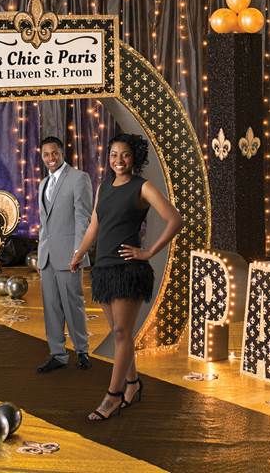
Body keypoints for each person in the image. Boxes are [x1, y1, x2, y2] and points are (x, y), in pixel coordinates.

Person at [70, 133, 183, 421]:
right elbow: (95, 226)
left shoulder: (142, 187)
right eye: (113, 155)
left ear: (135, 158)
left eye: (125, 155)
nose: (118, 160)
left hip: (127, 271)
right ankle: (133, 383)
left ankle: (113, 396)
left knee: (122, 333)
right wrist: (79, 253)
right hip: (104, 269)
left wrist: (147, 253)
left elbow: (175, 220)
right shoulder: (104, 187)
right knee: (120, 335)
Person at [37, 135, 93, 372]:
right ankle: (57, 354)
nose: (51, 158)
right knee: (51, 307)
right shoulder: (43, 184)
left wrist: (78, 252)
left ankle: (82, 351)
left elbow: (83, 218)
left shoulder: (78, 178)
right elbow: (45, 224)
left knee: (73, 304)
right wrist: (41, 252)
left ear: (62, 153)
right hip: (47, 256)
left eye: (54, 153)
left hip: (70, 255)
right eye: (46, 154)